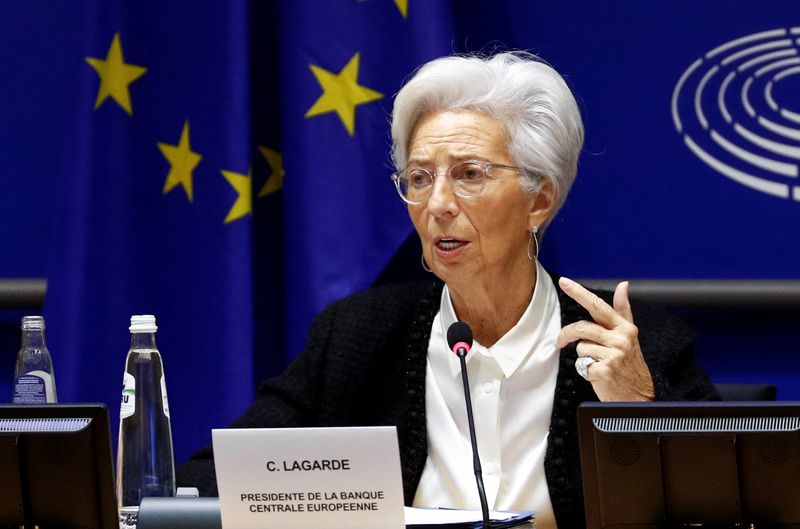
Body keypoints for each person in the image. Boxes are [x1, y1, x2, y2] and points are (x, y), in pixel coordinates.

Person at [177, 51, 718, 529]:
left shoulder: (634, 345)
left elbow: (721, 508)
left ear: (538, 201)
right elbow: (212, 479)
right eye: (419, 177)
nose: (437, 205)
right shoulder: (357, 338)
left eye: (469, 174)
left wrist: (639, 410)